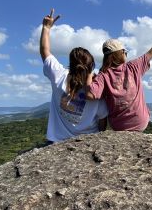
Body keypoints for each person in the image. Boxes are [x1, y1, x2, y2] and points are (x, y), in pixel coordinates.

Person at [86, 24, 152, 131]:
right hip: (141, 122)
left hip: (119, 126)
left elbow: (90, 95)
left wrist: (90, 74)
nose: (126, 54)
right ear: (121, 53)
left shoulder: (103, 75)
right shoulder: (133, 66)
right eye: (125, 52)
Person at [40, 8, 108, 142]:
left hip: (57, 142)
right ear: (91, 66)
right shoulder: (96, 89)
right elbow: (102, 122)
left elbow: (44, 51)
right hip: (88, 142)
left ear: (71, 64)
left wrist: (46, 28)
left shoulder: (59, 75)